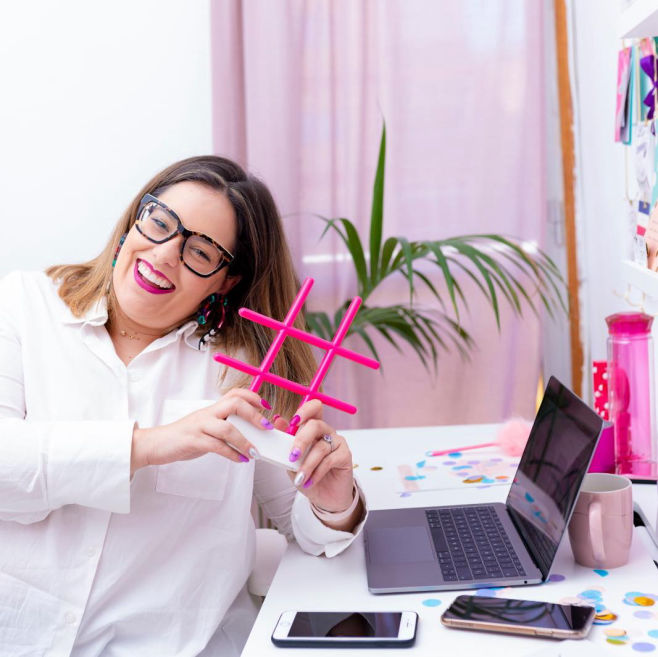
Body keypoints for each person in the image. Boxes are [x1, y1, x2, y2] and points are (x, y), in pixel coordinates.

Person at [0, 155, 366, 656]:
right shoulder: (22, 305)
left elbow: (305, 528)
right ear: (135, 219)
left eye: (201, 252)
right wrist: (152, 444)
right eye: (160, 223)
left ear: (226, 280)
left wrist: (333, 503)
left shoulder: (243, 368)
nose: (165, 254)